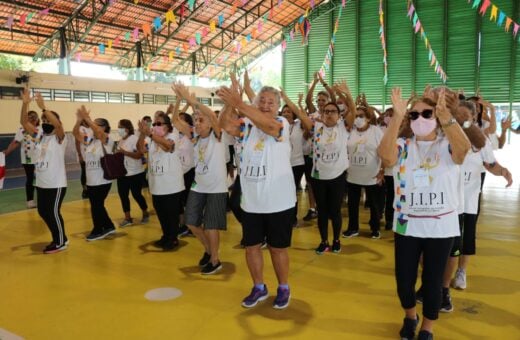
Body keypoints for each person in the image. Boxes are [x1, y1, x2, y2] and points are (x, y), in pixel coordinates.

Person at [378, 87, 470, 340]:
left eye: (427, 113)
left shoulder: (447, 144)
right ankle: (410, 316)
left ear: (436, 117)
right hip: (408, 226)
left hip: (441, 228)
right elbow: (386, 158)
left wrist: (445, 116)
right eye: (414, 115)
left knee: (432, 284)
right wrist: (397, 116)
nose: (420, 119)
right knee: (404, 283)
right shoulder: (403, 145)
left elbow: (463, 151)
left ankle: (427, 328)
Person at [218, 83, 296, 309]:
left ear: (278, 107)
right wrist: (228, 104)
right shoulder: (247, 126)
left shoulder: (282, 123)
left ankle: (283, 287)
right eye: (261, 101)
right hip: (252, 201)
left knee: (277, 248)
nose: (265, 105)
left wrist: (238, 103)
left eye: (270, 102)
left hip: (279, 201)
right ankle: (259, 287)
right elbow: (225, 125)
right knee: (251, 246)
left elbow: (270, 127)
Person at [173, 83, 228, 275]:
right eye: (195, 120)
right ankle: (208, 250)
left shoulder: (217, 136)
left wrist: (194, 101)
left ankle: (215, 260)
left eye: (200, 120)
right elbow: (175, 121)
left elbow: (213, 116)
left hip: (216, 188)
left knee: (211, 225)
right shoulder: (194, 138)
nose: (197, 123)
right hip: (199, 186)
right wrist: (180, 99)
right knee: (191, 222)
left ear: (210, 124)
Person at [286, 93, 350, 254]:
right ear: (322, 114)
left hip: (337, 176)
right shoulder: (316, 127)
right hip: (319, 176)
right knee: (322, 211)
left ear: (338, 114)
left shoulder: (343, 128)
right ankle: (324, 241)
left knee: (334, 211)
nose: (329, 114)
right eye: (326, 111)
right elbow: (299, 113)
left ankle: (336, 240)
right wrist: (286, 98)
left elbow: (353, 109)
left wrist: (347, 92)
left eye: (333, 111)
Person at [21, 88, 68, 253]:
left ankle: (60, 241)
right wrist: (25, 104)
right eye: (43, 120)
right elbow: (24, 123)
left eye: (48, 120)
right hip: (42, 183)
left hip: (56, 184)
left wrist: (44, 108)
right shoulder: (39, 135)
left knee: (53, 212)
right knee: (43, 211)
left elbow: (58, 125)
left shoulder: (60, 138)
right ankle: (60, 237)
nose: (45, 122)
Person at [137, 112, 184, 250]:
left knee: (171, 214)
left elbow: (167, 146)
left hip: (171, 185)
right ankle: (166, 236)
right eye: (154, 124)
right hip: (157, 186)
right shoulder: (152, 140)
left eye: (159, 124)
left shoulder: (172, 136)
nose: (156, 126)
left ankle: (173, 239)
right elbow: (140, 149)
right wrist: (142, 133)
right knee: (161, 214)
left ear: (168, 126)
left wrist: (151, 134)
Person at [73, 106, 116, 241]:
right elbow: (75, 134)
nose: (92, 127)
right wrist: (79, 120)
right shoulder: (90, 140)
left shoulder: (108, 139)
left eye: (96, 125)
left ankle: (98, 230)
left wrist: (88, 119)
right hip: (91, 180)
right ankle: (109, 225)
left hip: (103, 180)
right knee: (98, 205)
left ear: (104, 127)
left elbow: (98, 132)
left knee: (96, 206)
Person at [343, 103, 384, 239]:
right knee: (352, 204)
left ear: (367, 118)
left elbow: (383, 150)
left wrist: (382, 170)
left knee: (374, 204)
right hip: (353, 175)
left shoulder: (375, 131)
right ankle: (353, 228)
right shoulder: (351, 131)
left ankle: (375, 228)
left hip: (372, 174)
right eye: (355, 116)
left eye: (361, 116)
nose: (357, 119)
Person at [2, 109, 41, 208]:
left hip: (40, 160)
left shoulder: (41, 130)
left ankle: (42, 199)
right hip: (28, 159)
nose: (32, 119)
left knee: (41, 179)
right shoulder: (22, 130)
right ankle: (30, 201)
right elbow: (15, 143)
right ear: (26, 119)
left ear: (37, 119)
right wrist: (6, 152)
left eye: (34, 117)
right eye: (30, 117)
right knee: (30, 179)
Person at [168, 103, 195, 237]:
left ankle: (192, 226)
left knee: (189, 201)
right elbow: (173, 120)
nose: (178, 122)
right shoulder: (175, 136)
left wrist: (190, 103)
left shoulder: (191, 136)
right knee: (179, 201)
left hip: (189, 172)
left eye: (182, 120)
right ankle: (182, 224)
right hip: (177, 172)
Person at [116, 119, 149, 227]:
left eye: (120, 127)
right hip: (122, 173)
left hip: (135, 173)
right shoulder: (121, 141)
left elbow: (139, 155)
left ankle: (145, 212)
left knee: (136, 194)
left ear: (126, 128)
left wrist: (124, 152)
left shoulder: (134, 139)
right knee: (123, 195)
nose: (118, 129)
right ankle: (127, 217)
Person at [280, 103, 305, 227]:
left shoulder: (299, 125)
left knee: (292, 190)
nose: (286, 113)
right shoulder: (278, 125)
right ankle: (283, 216)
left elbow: (302, 116)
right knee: (282, 190)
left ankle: (292, 218)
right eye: (284, 111)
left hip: (297, 163)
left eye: (289, 112)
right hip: (282, 164)